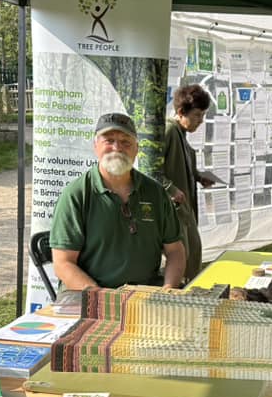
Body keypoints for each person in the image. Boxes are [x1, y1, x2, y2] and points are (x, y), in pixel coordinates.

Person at [50, 112, 185, 290]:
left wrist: (167, 290)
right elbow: (63, 264)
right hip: (86, 294)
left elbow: (175, 250)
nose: (117, 147)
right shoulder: (76, 195)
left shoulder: (156, 193)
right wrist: (102, 298)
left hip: (144, 293)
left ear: (136, 149)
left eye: (125, 142)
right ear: (95, 146)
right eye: (109, 140)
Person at [160, 84, 215, 282]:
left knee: (193, 255)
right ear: (181, 112)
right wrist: (171, 189)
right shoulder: (168, 131)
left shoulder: (180, 134)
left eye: (203, 115)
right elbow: (149, 170)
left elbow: (180, 165)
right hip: (173, 211)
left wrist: (199, 176)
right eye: (198, 115)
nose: (201, 121)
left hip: (185, 209)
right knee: (182, 261)